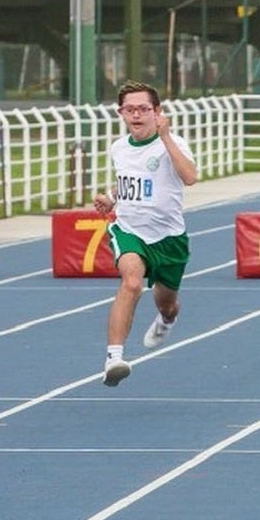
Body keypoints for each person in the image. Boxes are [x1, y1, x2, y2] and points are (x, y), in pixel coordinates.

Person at [93, 80, 199, 387]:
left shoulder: (173, 143)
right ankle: (114, 359)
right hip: (130, 229)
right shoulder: (119, 147)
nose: (136, 115)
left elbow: (190, 177)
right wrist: (111, 198)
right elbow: (129, 179)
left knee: (167, 303)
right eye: (130, 110)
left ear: (157, 112)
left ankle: (167, 319)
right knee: (132, 282)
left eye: (143, 109)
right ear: (121, 113)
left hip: (169, 238)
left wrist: (165, 138)